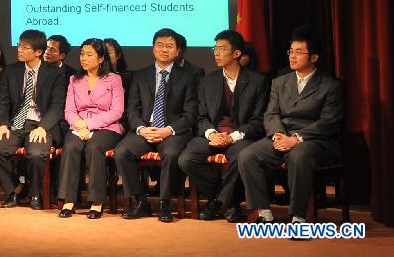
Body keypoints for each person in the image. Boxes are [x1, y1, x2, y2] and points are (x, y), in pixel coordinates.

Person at [238, 26, 343, 223]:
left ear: (314, 57)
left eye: (299, 52)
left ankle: (298, 216)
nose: (292, 56)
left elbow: (328, 122)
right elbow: (271, 113)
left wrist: (296, 139)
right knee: (247, 156)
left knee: (299, 155)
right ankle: (264, 213)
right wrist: (278, 135)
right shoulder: (279, 82)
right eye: (291, 51)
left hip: (315, 140)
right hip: (282, 135)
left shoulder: (330, 86)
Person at [178, 30, 269, 222]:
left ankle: (218, 203)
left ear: (236, 53)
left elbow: (258, 120)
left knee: (240, 156)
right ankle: (228, 200)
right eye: (215, 48)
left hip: (240, 137)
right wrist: (211, 134)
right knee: (186, 159)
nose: (216, 53)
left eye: (222, 49)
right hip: (214, 134)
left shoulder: (258, 81)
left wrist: (233, 136)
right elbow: (201, 117)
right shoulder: (207, 81)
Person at [114, 28, 199, 222]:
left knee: (171, 154)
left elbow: (191, 113)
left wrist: (167, 130)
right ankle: (141, 201)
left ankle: (164, 203)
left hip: (172, 131)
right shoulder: (140, 74)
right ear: (153, 49)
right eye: (159, 45)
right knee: (122, 151)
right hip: (146, 129)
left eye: (169, 46)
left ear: (177, 51)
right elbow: (132, 110)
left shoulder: (188, 76)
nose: (164, 49)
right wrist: (143, 129)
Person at [0, 29, 67, 210]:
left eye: (25, 47)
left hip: (40, 123)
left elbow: (57, 106)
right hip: (16, 123)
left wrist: (43, 127)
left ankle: (34, 193)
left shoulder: (54, 73)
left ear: (38, 52)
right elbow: (2, 102)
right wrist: (1, 124)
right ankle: (13, 189)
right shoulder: (11, 71)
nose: (19, 50)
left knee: (37, 154)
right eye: (19, 45)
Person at [57, 38, 124, 219]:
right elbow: (69, 110)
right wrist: (80, 125)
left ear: (101, 58)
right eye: (82, 54)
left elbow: (117, 111)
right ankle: (69, 200)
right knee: (71, 147)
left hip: (107, 127)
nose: (83, 58)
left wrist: (89, 125)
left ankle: (96, 201)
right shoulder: (74, 79)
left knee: (94, 147)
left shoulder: (114, 79)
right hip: (78, 126)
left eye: (89, 55)